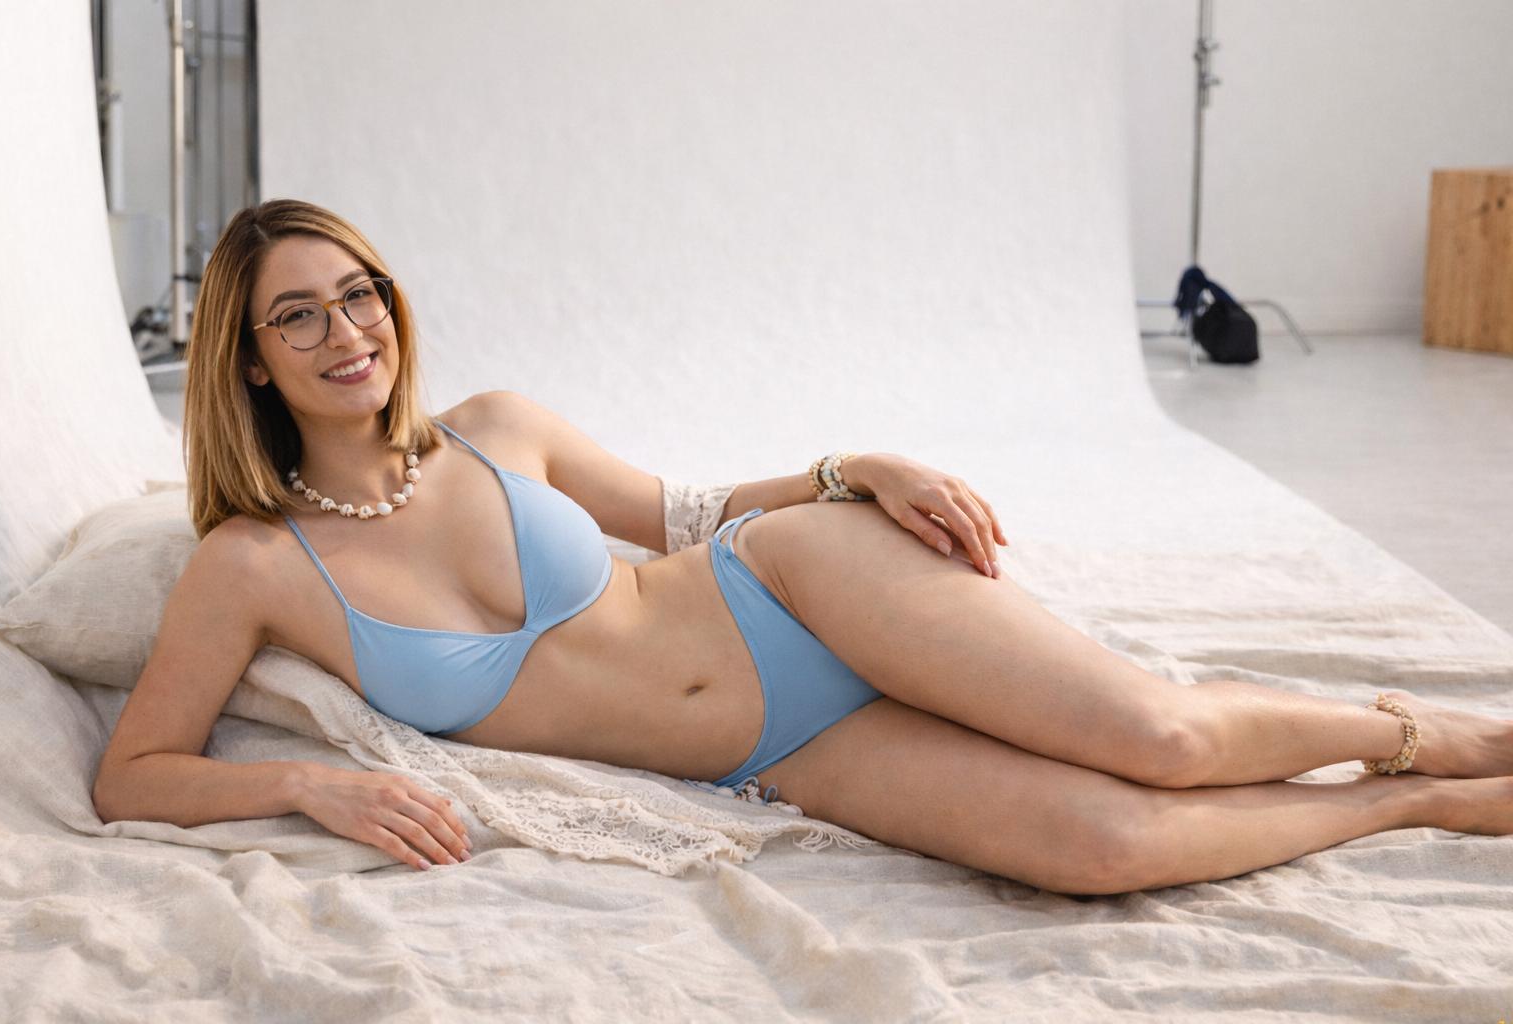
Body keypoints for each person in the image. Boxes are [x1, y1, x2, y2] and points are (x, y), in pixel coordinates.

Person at [91, 199, 1513, 895]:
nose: (347, 334)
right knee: (1100, 847)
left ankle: (1410, 733)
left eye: (361, 296)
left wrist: (850, 471)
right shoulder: (253, 567)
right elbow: (131, 775)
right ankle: (1410, 808)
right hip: (775, 750)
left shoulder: (495, 428)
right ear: (249, 358)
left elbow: (688, 513)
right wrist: (313, 787)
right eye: (298, 316)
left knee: (1160, 738)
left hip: (793, 586)